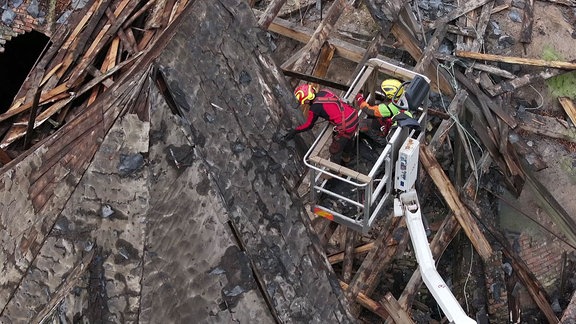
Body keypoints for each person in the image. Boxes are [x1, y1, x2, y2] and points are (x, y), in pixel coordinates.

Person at [283, 84, 359, 165]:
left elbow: (309, 125)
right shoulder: (325, 91)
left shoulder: (315, 108)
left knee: (334, 150)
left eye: (304, 101)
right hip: (353, 116)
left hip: (346, 127)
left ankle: (336, 172)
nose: (304, 103)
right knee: (349, 139)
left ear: (308, 100)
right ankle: (346, 158)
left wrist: (295, 131)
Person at [354, 78, 415, 144]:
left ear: (390, 95)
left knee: (360, 124)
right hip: (393, 120)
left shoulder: (386, 108)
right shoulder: (402, 95)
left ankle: (380, 142)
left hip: (385, 127)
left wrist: (360, 100)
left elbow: (369, 110)